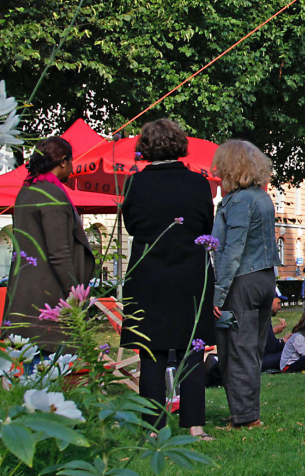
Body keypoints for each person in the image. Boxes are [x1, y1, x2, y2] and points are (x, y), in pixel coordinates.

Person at [119, 119, 216, 439]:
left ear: (145, 147)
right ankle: (195, 425)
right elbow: (206, 225)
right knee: (193, 350)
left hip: (148, 276)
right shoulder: (199, 183)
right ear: (180, 144)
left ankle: (152, 427)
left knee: (151, 352)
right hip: (190, 273)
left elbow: (132, 226)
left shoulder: (134, 183)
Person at [3, 136, 96, 351]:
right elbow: (58, 252)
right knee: (52, 373)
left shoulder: (26, 191)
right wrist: (74, 294)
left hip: (25, 296)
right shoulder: (51, 194)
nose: (72, 169)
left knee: (30, 373)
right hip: (48, 300)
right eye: (71, 162)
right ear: (63, 161)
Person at [211, 139, 278, 428]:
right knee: (251, 349)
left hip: (243, 281)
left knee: (235, 349)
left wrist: (218, 293)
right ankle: (245, 410)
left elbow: (232, 251)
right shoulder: (263, 198)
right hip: (265, 277)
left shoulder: (238, 202)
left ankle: (246, 417)